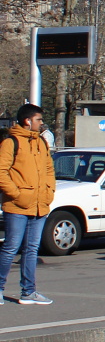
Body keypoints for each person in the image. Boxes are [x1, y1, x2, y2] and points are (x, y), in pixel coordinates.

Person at [0, 104, 56, 305]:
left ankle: (28, 292)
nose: (41, 123)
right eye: (39, 119)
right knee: (11, 247)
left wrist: (49, 192)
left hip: (40, 204)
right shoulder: (11, 142)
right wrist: (16, 194)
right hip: (18, 205)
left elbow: (49, 169)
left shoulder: (41, 142)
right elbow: (2, 172)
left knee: (31, 248)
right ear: (28, 120)